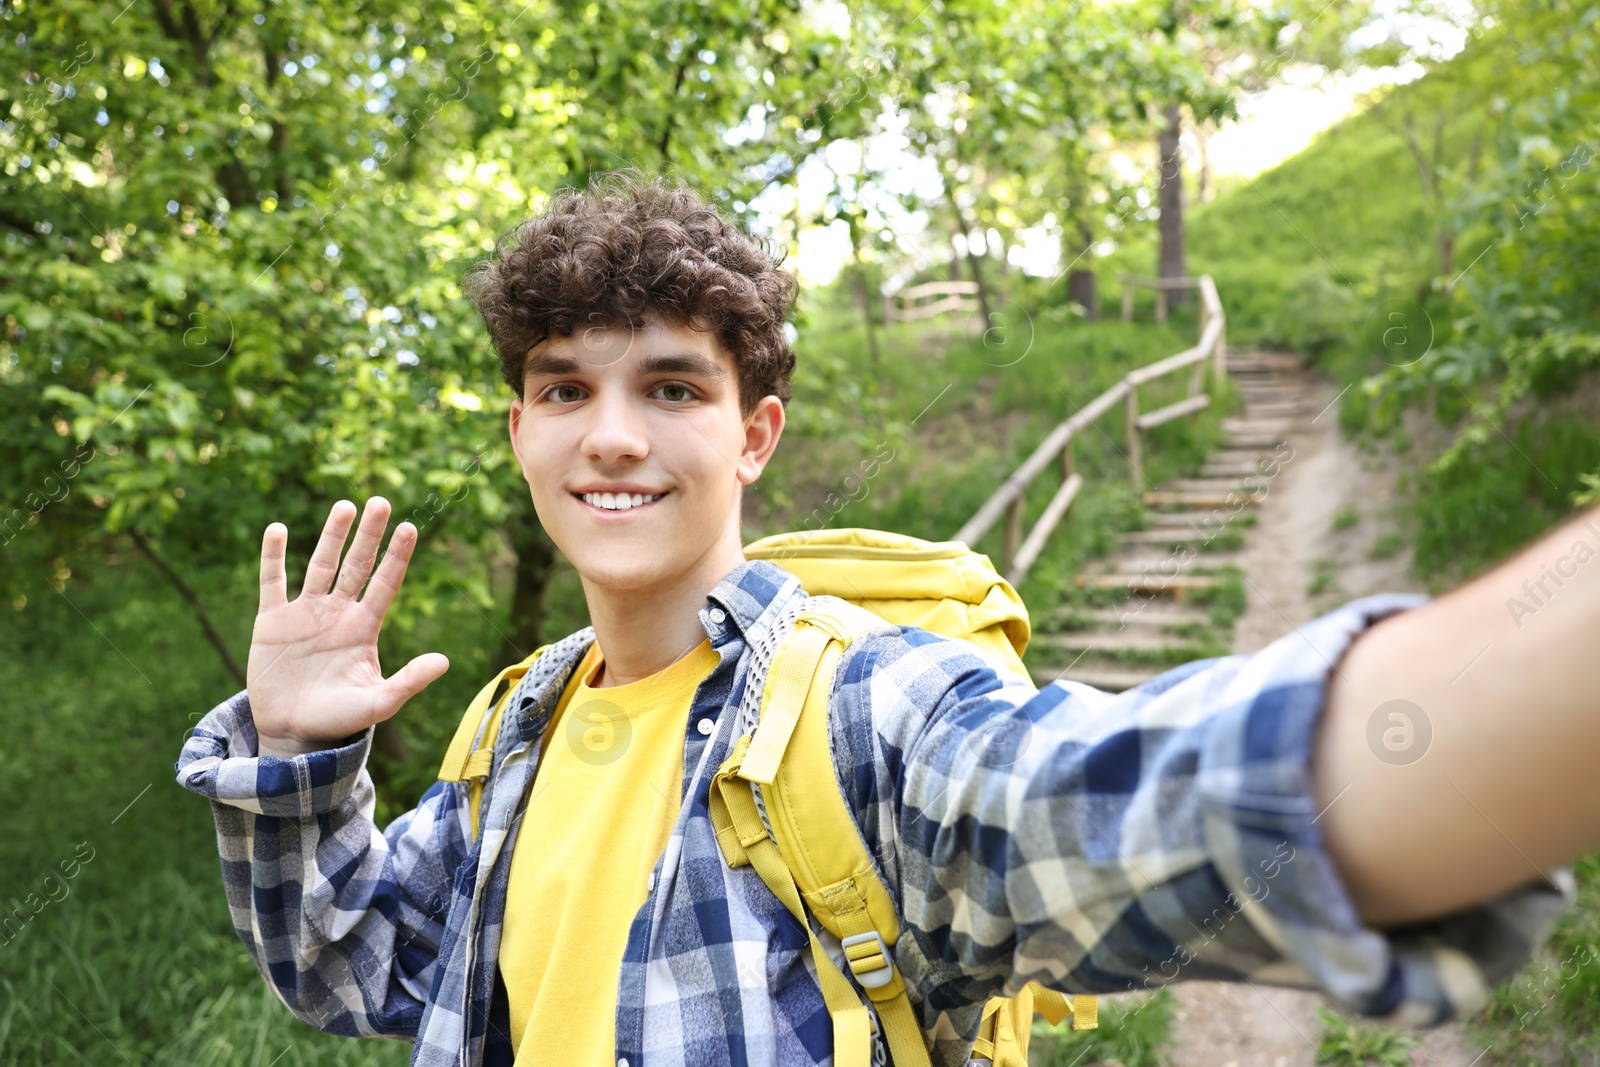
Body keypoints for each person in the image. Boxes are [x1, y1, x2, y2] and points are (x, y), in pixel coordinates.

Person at [176, 170, 1594, 1067]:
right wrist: (300, 770)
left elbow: (1128, 806)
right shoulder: (516, 730)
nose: (610, 437)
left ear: (756, 435)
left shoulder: (865, 711)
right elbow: (357, 968)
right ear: (521, 430)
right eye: (565, 388)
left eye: (672, 388)